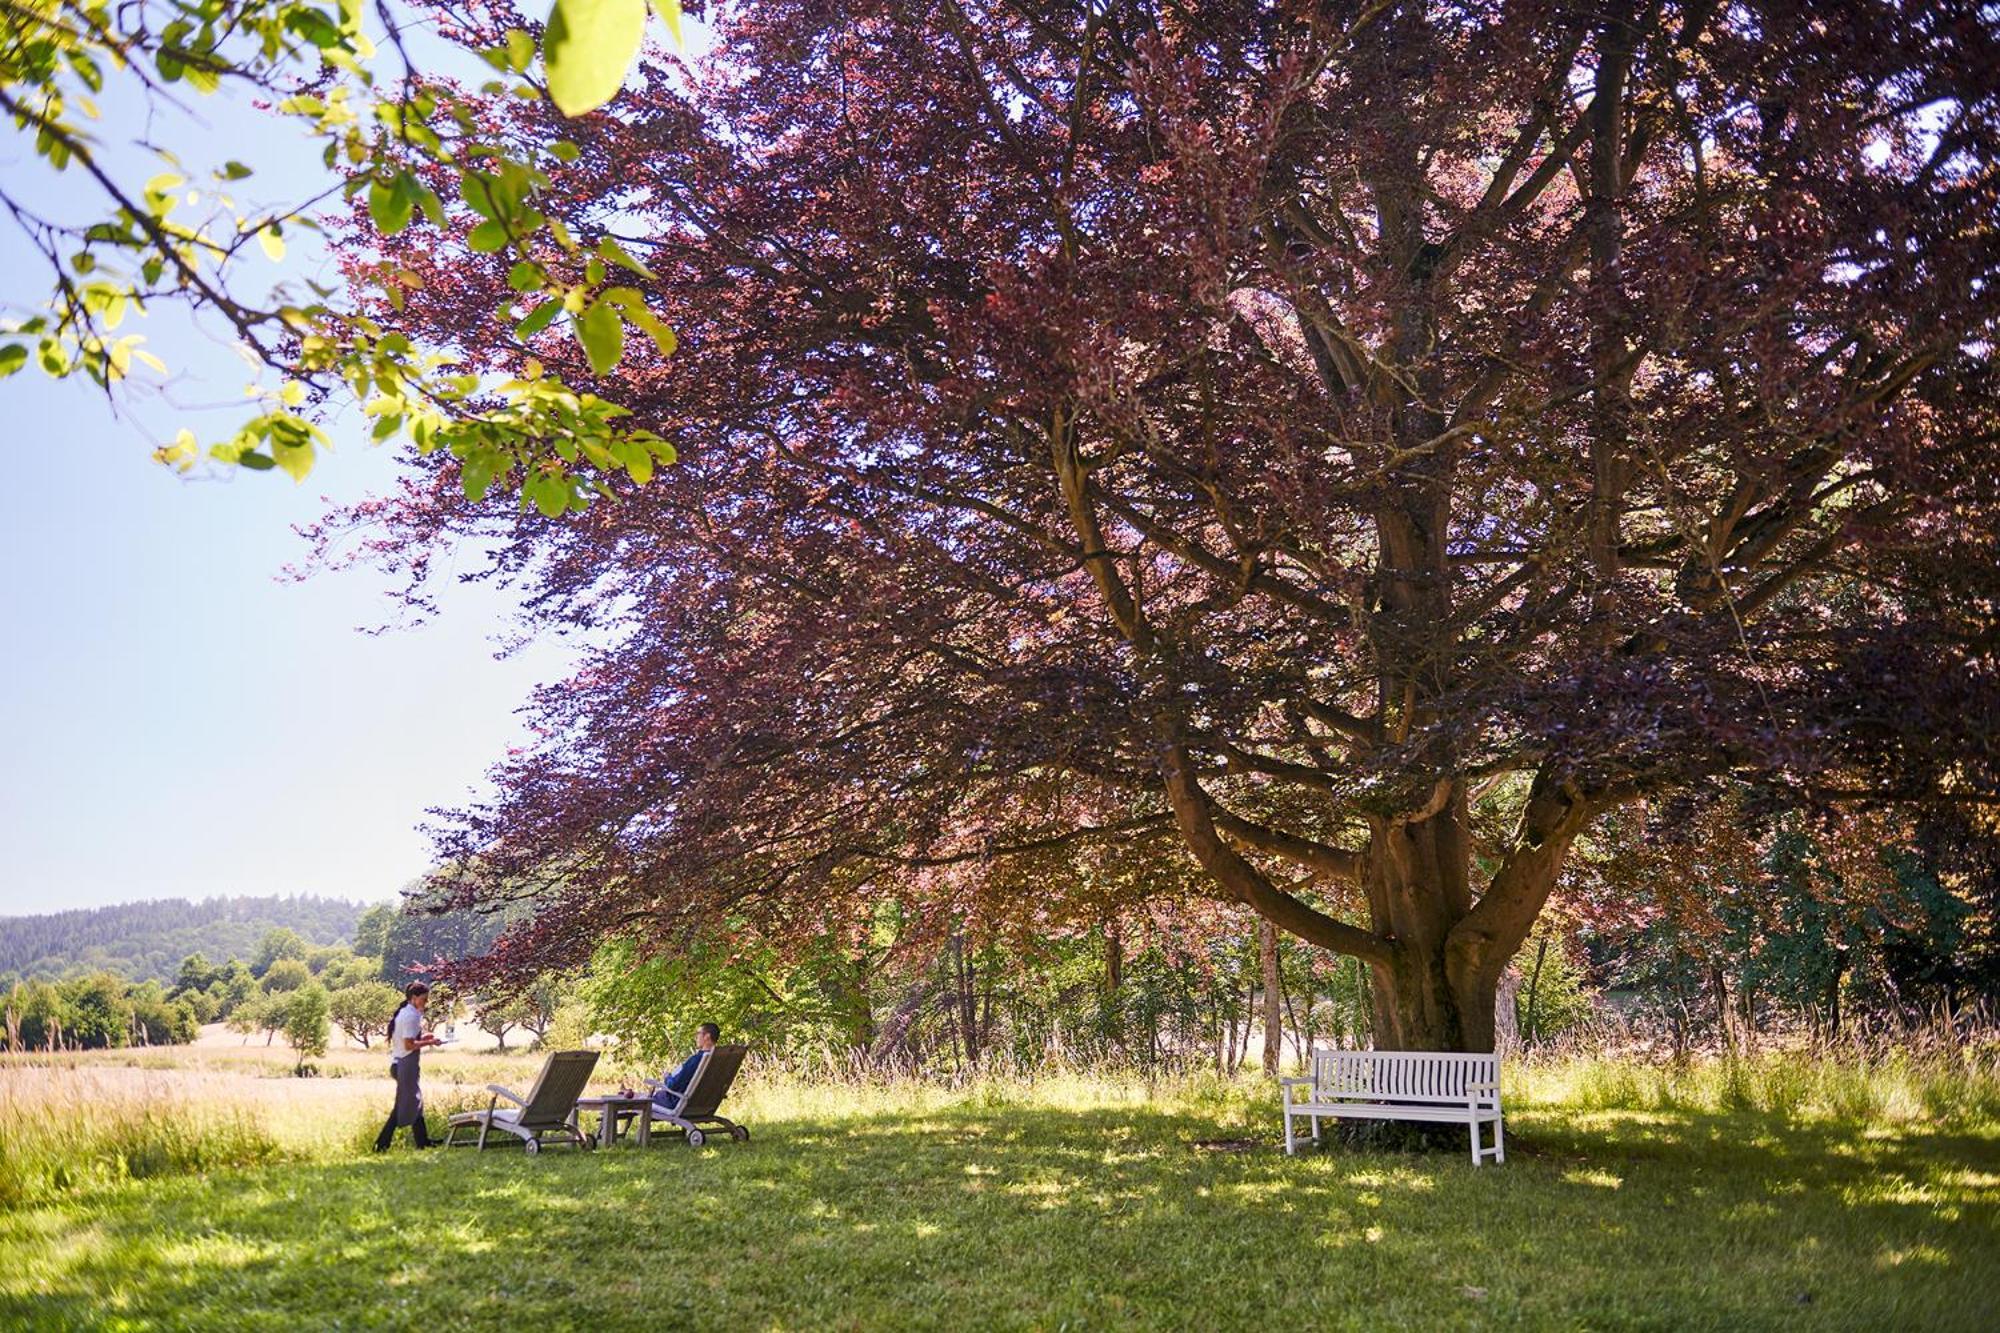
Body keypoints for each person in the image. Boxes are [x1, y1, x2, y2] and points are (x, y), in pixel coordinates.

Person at [374, 982, 444, 1151]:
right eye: (424, 999)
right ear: (414, 998)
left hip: (403, 1064)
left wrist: (425, 1037)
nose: (426, 1003)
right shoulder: (411, 1016)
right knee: (403, 1106)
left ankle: (423, 1141)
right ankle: (381, 1145)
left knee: (415, 1103)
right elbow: (408, 1045)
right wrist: (429, 1042)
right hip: (405, 1065)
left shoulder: (407, 1012)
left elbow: (408, 1039)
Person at [652, 1022, 720, 1113]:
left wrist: (667, 1077)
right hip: (703, 1104)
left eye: (698, 1034)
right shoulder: (717, 1059)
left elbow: (673, 1086)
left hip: (676, 1103)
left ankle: (642, 1126)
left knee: (643, 1101)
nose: (696, 1037)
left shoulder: (697, 1059)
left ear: (707, 1036)